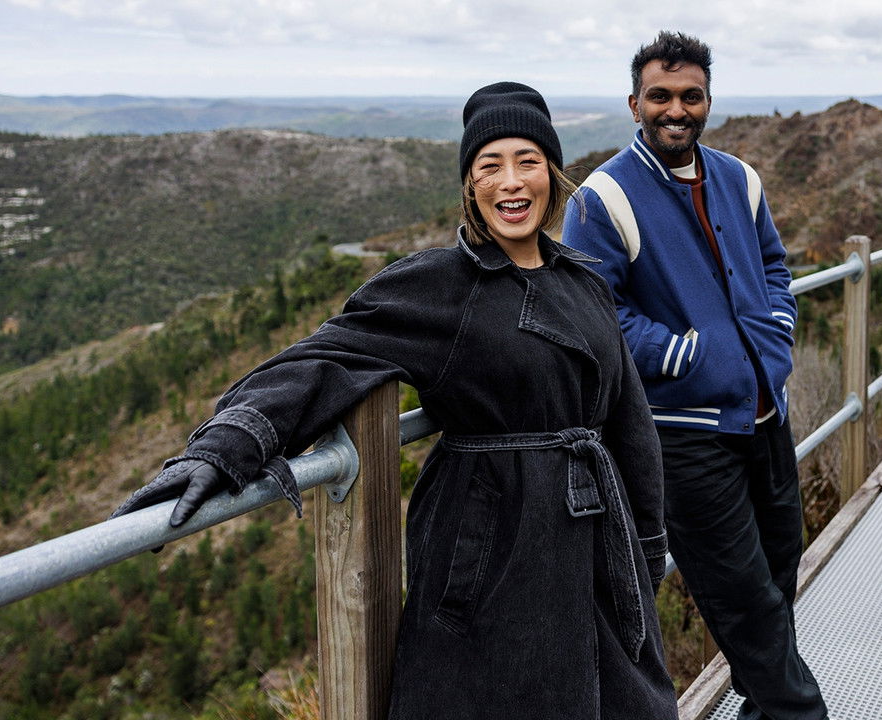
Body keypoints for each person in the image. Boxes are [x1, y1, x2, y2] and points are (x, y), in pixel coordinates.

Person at [113, 82, 679, 720]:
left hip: (593, 535)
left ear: (552, 173)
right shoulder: (443, 286)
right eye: (489, 166)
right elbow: (325, 357)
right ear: (471, 185)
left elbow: (631, 423)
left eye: (527, 161)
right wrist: (225, 445)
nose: (511, 182)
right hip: (493, 537)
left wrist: (646, 541)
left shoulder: (584, 280)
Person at [562, 32, 828, 720]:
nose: (675, 109)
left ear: (708, 100)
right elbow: (596, 314)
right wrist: (688, 356)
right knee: (746, 605)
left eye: (690, 96)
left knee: (778, 576)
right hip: (684, 440)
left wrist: (771, 339)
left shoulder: (740, 178)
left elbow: (774, 266)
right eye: (660, 96)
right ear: (634, 103)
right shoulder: (602, 199)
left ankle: (765, 711)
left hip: (765, 415)